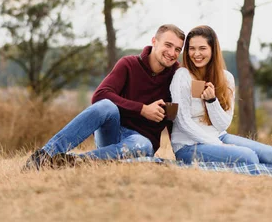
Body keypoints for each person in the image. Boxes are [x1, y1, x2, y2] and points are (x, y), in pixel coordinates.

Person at [23, 24, 185, 170]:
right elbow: (100, 95)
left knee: (142, 144)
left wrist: (180, 153)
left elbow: (174, 119)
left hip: (140, 143)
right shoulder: (129, 64)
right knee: (105, 105)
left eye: (177, 49)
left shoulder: (177, 78)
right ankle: (44, 155)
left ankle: (72, 161)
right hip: (112, 133)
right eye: (168, 45)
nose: (172, 53)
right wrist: (142, 109)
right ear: (154, 41)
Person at [170, 25, 272, 167]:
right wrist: (219, 145)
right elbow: (183, 121)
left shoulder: (226, 78)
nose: (196, 53)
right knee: (248, 158)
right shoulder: (182, 76)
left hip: (219, 136)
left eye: (202, 48)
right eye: (192, 48)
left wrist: (212, 101)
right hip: (188, 146)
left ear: (213, 49)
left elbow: (223, 124)